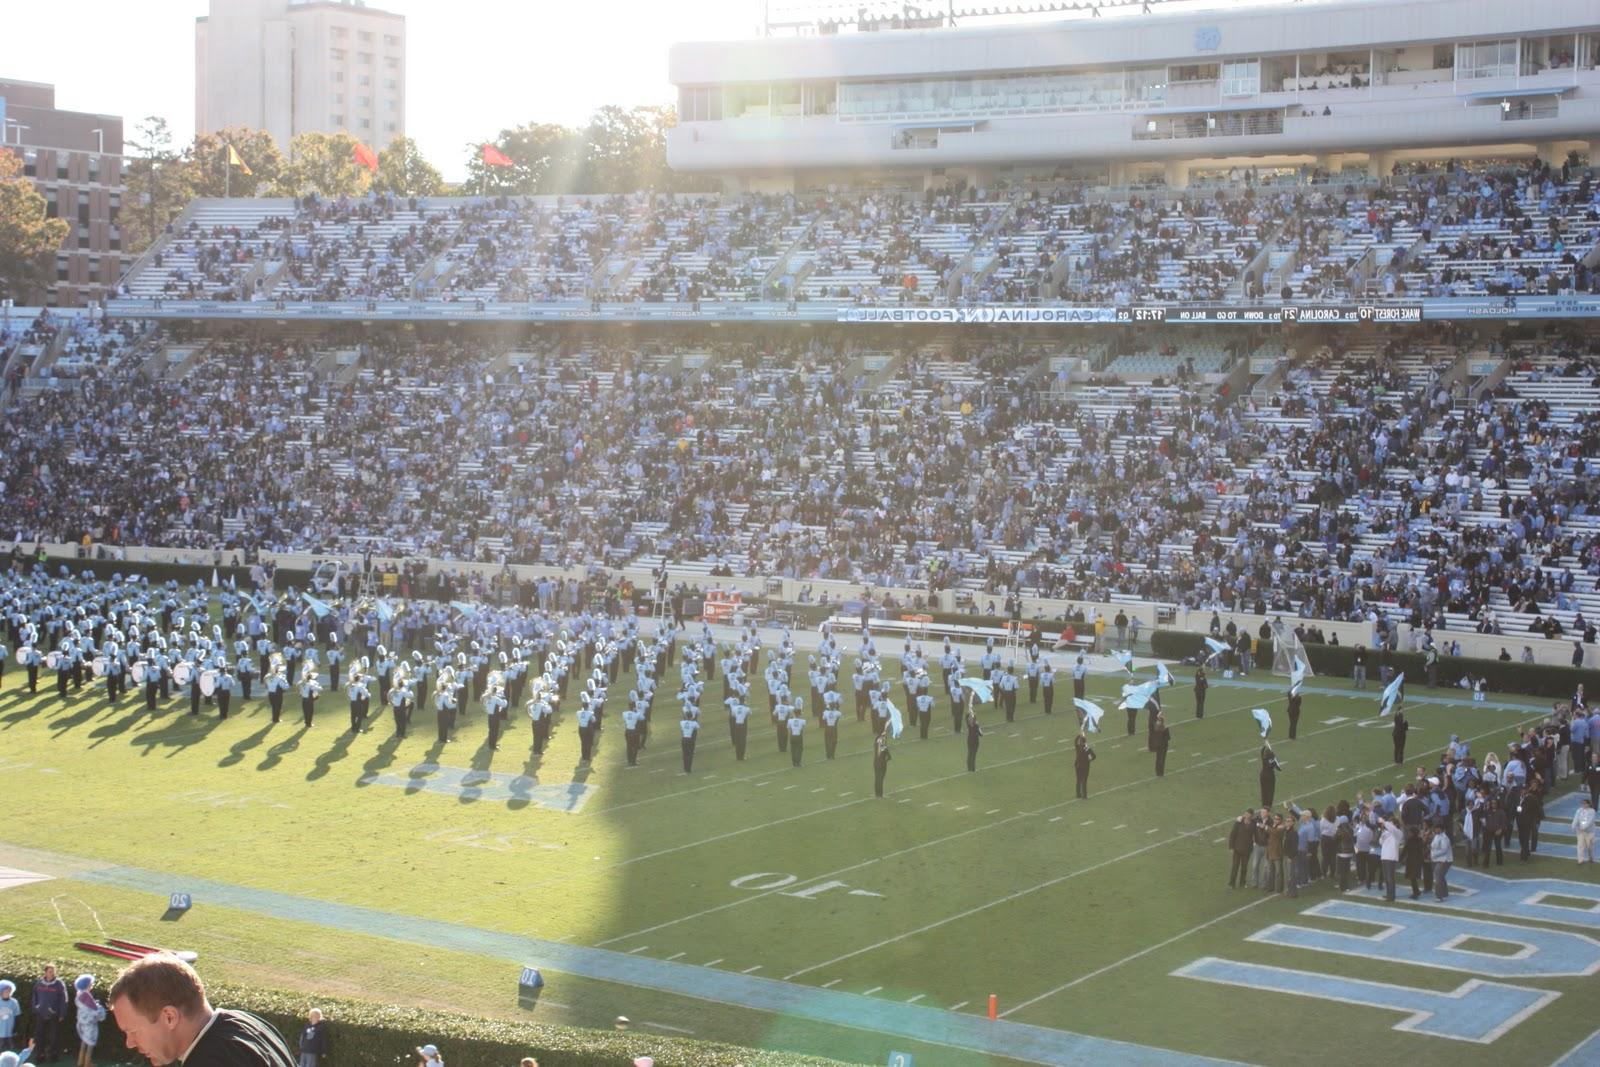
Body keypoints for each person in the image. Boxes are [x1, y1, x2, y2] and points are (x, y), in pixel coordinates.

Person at [108, 952, 295, 1066]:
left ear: (169, 1017)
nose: (130, 1043)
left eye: (132, 1031)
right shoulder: (248, 1023)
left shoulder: (209, 1061)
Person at [31, 965, 66, 1063]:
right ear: (45, 972)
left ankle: (53, 1055)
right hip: (40, 1013)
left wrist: (62, 1013)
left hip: (54, 1014)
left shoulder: (59, 984)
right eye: (50, 971)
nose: (52, 973)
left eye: (53, 971)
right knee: (39, 1035)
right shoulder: (39, 983)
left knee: (54, 1036)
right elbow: (34, 996)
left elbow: (64, 999)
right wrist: (35, 1007)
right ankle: (40, 1055)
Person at [74, 974, 105, 1067]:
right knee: (90, 1043)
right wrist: (99, 1007)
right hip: (89, 1023)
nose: (91, 985)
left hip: (81, 1021)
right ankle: (87, 1063)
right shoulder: (86, 995)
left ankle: (80, 1062)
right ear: (87, 984)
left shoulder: (79, 993)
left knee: (83, 1042)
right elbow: (94, 1008)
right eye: (91, 984)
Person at [1379, 816, 1403, 901]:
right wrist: (1382, 833)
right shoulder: (1386, 832)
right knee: (1386, 877)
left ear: (1395, 824)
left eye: (1391, 822)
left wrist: (1384, 822)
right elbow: (1381, 842)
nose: (1389, 824)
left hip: (1391, 856)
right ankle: (1388, 893)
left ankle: (1392, 895)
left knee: (1390, 877)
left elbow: (1392, 829)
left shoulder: (1398, 833)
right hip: (1384, 856)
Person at [1227, 810, 1253, 888]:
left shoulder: (1253, 824)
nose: (1245, 815)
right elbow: (1232, 834)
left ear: (1251, 815)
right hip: (1237, 849)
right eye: (1245, 813)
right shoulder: (1238, 823)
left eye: (1247, 814)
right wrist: (1231, 847)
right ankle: (1232, 883)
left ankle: (1242, 882)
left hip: (1247, 849)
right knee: (1235, 867)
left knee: (1244, 867)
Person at [1430, 820, 1453, 899]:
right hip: (1437, 859)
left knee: (1438, 877)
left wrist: (1434, 854)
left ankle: (1439, 896)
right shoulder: (1436, 836)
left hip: (1444, 860)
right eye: (1435, 828)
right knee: (1441, 876)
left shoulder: (1444, 838)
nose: (1435, 830)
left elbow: (1444, 850)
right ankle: (1444, 893)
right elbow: (1433, 846)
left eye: (1437, 829)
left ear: (1441, 829)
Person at [1073, 731, 1095, 799]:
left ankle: (1078, 794)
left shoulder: (1078, 747)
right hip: (1085, 766)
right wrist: (1089, 759)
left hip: (1078, 765)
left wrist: (1079, 735)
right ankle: (1084, 796)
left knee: (1079, 780)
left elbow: (1075, 741)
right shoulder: (1087, 748)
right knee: (1084, 781)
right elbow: (1094, 756)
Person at [1574, 798, 1596, 864]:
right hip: (1580, 831)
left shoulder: (1592, 811)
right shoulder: (1579, 810)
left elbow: (1590, 821)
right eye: (1582, 803)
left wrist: (1583, 827)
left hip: (1589, 832)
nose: (1583, 805)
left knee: (1590, 847)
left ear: (1589, 804)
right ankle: (1580, 860)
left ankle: (1591, 858)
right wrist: (1573, 825)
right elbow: (1576, 818)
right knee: (1580, 845)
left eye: (1585, 803)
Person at [0, 979, 20, 1051]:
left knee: (11, 1048)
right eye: (5, 991)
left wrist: (15, 1028)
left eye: (9, 991)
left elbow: (17, 1015)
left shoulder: (14, 1002)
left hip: (10, 1030)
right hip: (0, 1030)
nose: (7, 993)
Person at [964, 704, 984, 772]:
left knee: (969, 754)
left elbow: (967, 716)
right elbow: (981, 734)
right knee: (973, 755)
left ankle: (969, 768)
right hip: (975, 741)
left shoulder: (968, 724)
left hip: (969, 740)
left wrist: (970, 710)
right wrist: (979, 728)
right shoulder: (976, 725)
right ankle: (973, 769)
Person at [873, 728, 891, 798]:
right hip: (881, 763)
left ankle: (877, 794)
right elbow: (887, 755)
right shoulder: (882, 743)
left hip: (875, 762)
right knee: (880, 778)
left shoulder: (876, 742)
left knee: (877, 778)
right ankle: (880, 794)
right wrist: (887, 758)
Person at [1152, 712, 1171, 777]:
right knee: (1162, 759)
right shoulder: (1165, 728)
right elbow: (1168, 738)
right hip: (1164, 745)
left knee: (1157, 759)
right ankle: (1161, 773)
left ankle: (1157, 772)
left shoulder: (1155, 727)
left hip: (1157, 745)